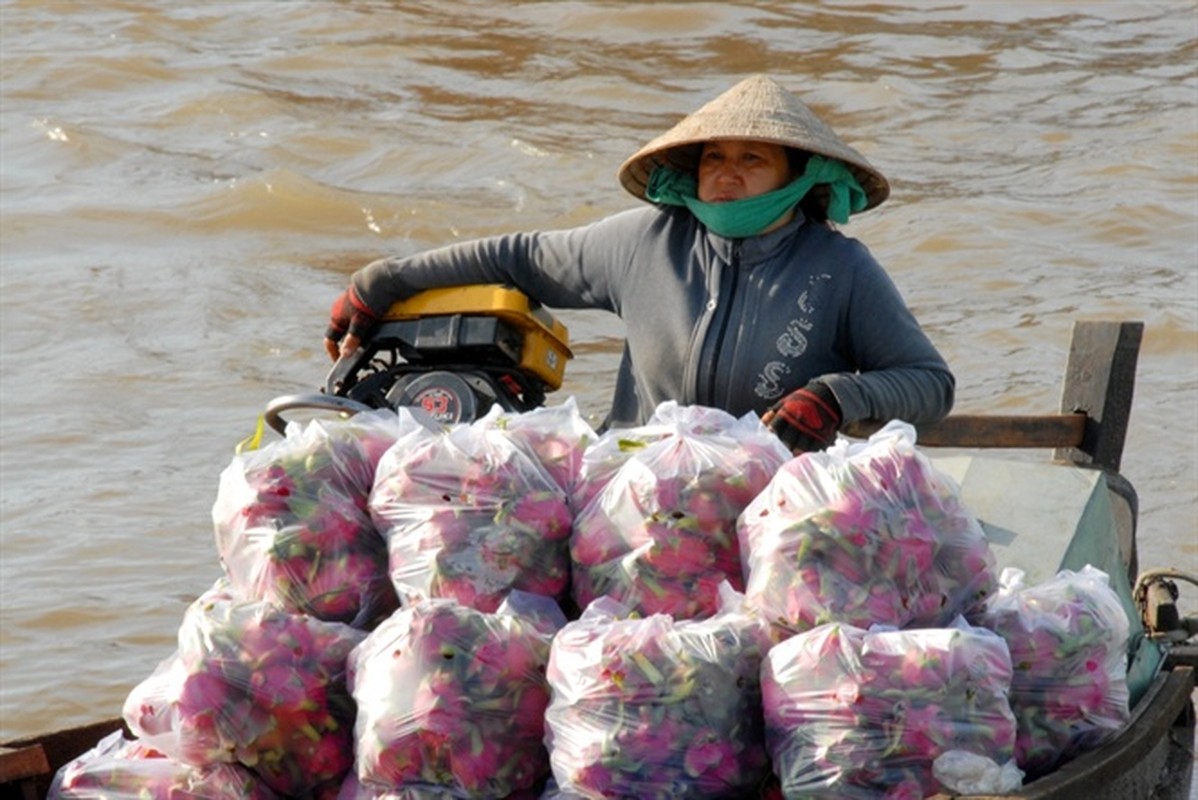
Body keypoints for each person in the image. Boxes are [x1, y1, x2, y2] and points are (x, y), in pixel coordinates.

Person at [324, 74, 954, 454]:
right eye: (714, 159)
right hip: (636, 486)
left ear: (800, 176)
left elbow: (929, 381)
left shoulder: (840, 268)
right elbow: (515, 258)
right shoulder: (644, 242)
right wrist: (381, 281)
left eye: (752, 160)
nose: (727, 176)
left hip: (777, 500)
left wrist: (836, 397)